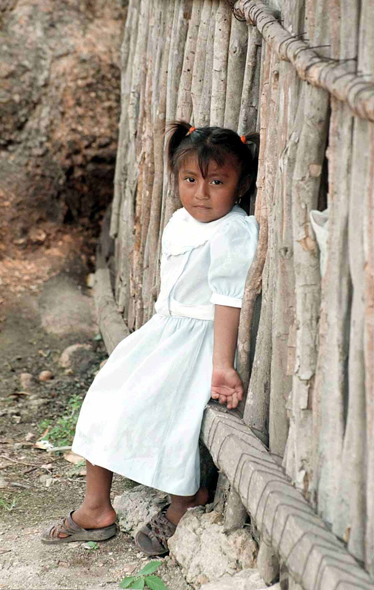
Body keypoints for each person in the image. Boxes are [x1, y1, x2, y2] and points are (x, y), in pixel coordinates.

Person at [41, 121, 260, 555]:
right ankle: (96, 508)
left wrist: (220, 365)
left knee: (174, 421)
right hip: (163, 331)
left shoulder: (234, 231)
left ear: (241, 184)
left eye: (217, 182)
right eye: (190, 180)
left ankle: (184, 503)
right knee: (106, 396)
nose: (201, 193)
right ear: (177, 178)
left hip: (199, 341)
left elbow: (226, 300)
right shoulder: (180, 221)